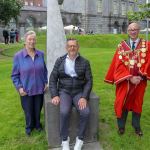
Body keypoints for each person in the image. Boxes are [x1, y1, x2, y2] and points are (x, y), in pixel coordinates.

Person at [104, 22, 150, 136]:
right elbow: (118, 65)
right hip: (124, 81)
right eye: (130, 30)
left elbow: (148, 62)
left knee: (137, 103)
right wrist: (130, 78)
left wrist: (140, 76)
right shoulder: (121, 46)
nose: (133, 31)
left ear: (139, 30)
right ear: (128, 31)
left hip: (140, 81)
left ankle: (136, 126)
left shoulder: (146, 45)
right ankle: (121, 126)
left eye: (135, 29)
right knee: (121, 102)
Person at [49, 38, 93, 150]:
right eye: (70, 46)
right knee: (64, 112)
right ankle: (65, 140)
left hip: (79, 91)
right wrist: (54, 94)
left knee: (85, 112)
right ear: (66, 48)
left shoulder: (85, 62)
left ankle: (80, 139)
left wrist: (84, 97)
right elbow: (53, 79)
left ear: (78, 47)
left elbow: (89, 81)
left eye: (74, 46)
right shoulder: (60, 61)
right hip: (65, 91)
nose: (72, 48)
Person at [11, 31, 48, 136]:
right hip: (26, 89)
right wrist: (19, 88)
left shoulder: (40, 54)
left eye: (34, 39)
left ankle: (37, 125)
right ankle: (29, 127)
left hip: (39, 88)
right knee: (28, 110)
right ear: (25, 41)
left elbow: (44, 70)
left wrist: (45, 82)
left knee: (38, 108)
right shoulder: (18, 56)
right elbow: (14, 75)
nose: (32, 41)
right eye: (30, 39)